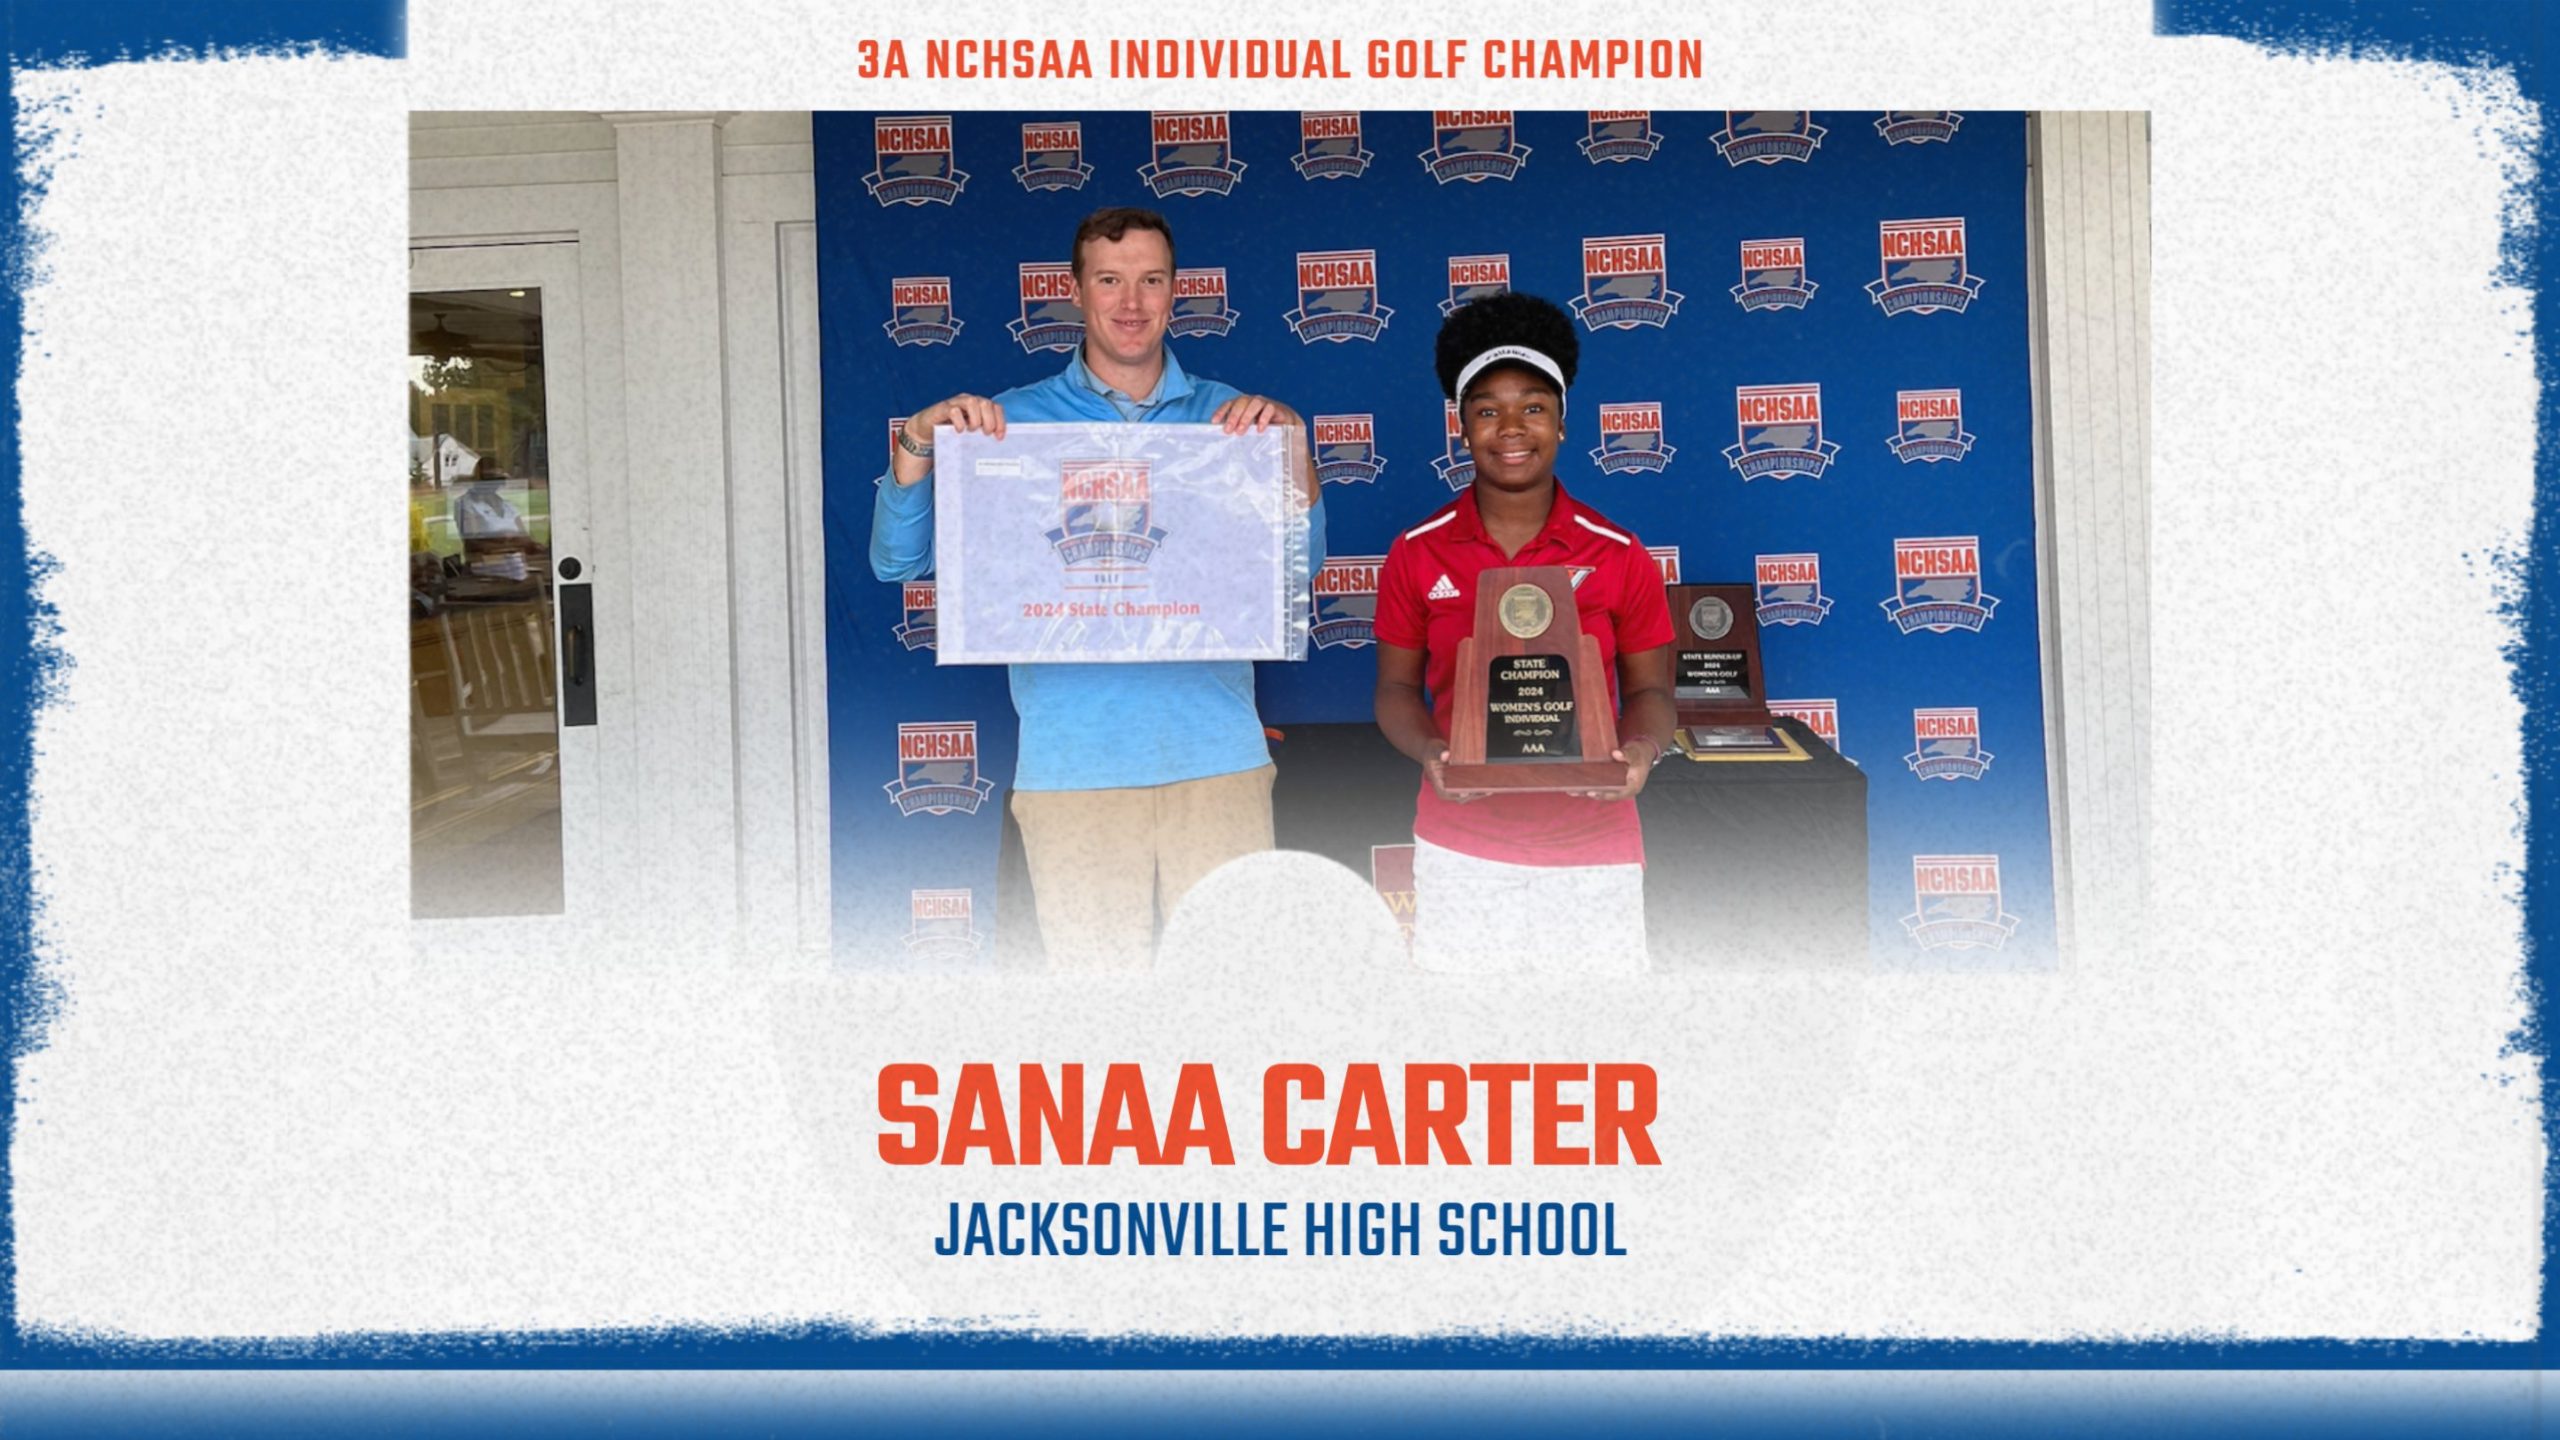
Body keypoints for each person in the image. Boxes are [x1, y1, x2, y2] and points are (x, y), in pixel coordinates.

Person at [869, 205, 1326, 970]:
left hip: (1216, 758)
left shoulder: (1236, 421)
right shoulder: (1009, 423)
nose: (1131, 302)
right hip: (1073, 769)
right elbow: (896, 562)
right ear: (1075, 291)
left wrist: (1292, 454)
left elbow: (1300, 570)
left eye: (1151, 280)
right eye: (1110, 280)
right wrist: (919, 442)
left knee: (1234, 993)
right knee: (1099, 1002)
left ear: (1176, 290)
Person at [1371, 293, 1676, 975]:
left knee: (1596, 1035)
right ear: (1461, 428)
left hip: (1594, 849)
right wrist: (1432, 753)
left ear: (1562, 423)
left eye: (1533, 408)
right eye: (1487, 411)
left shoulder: (1618, 553)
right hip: (1463, 845)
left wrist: (1641, 753)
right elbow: (1394, 690)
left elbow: (1652, 693)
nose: (1511, 428)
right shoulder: (1417, 552)